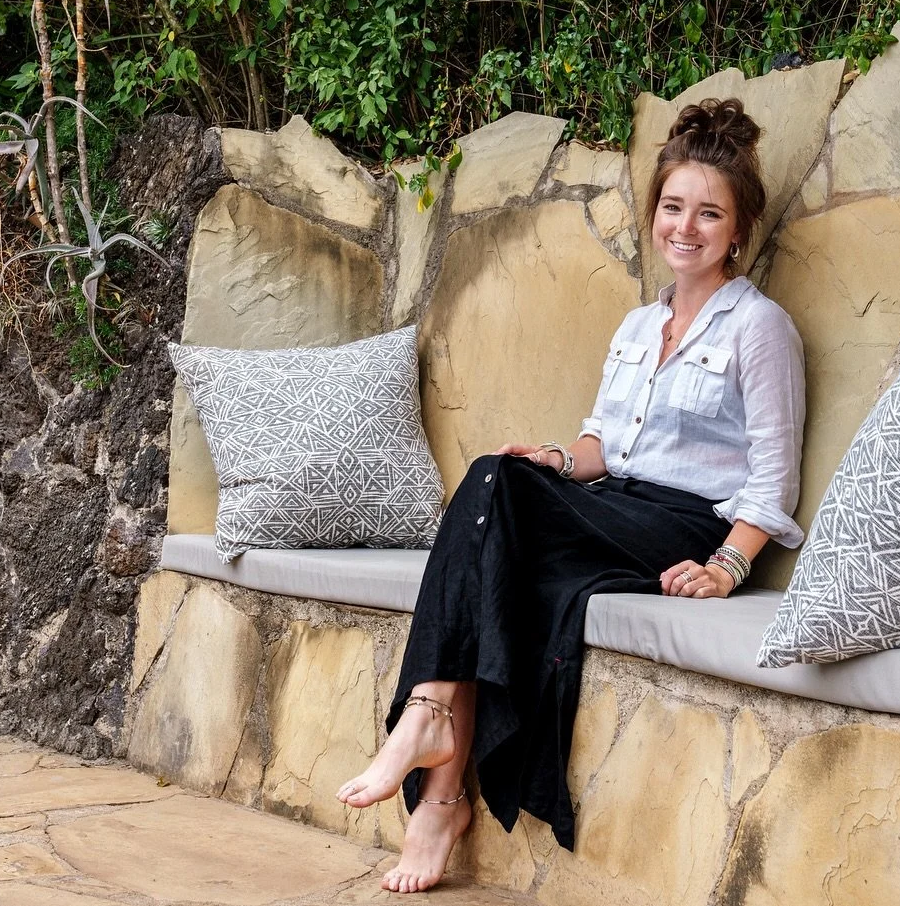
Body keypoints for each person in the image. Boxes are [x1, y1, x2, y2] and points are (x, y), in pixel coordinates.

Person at [336, 97, 806, 894]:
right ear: (655, 211)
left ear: (739, 227)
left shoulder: (758, 329)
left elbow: (773, 475)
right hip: (614, 503)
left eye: (709, 213)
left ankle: (428, 738)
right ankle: (442, 791)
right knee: (500, 488)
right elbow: (604, 446)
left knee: (494, 492)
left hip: (682, 526)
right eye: (672, 207)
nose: (684, 227)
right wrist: (556, 457)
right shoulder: (633, 326)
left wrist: (727, 564)